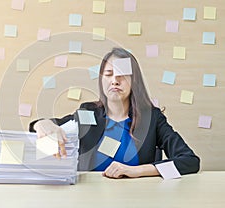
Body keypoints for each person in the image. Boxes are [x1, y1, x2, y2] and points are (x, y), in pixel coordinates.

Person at [29, 47, 200, 179]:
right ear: (101, 81)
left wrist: (137, 171)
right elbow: (48, 128)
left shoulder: (152, 118)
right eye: (109, 74)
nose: (115, 81)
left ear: (134, 81)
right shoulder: (89, 113)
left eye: (122, 75)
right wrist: (42, 124)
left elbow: (190, 161)